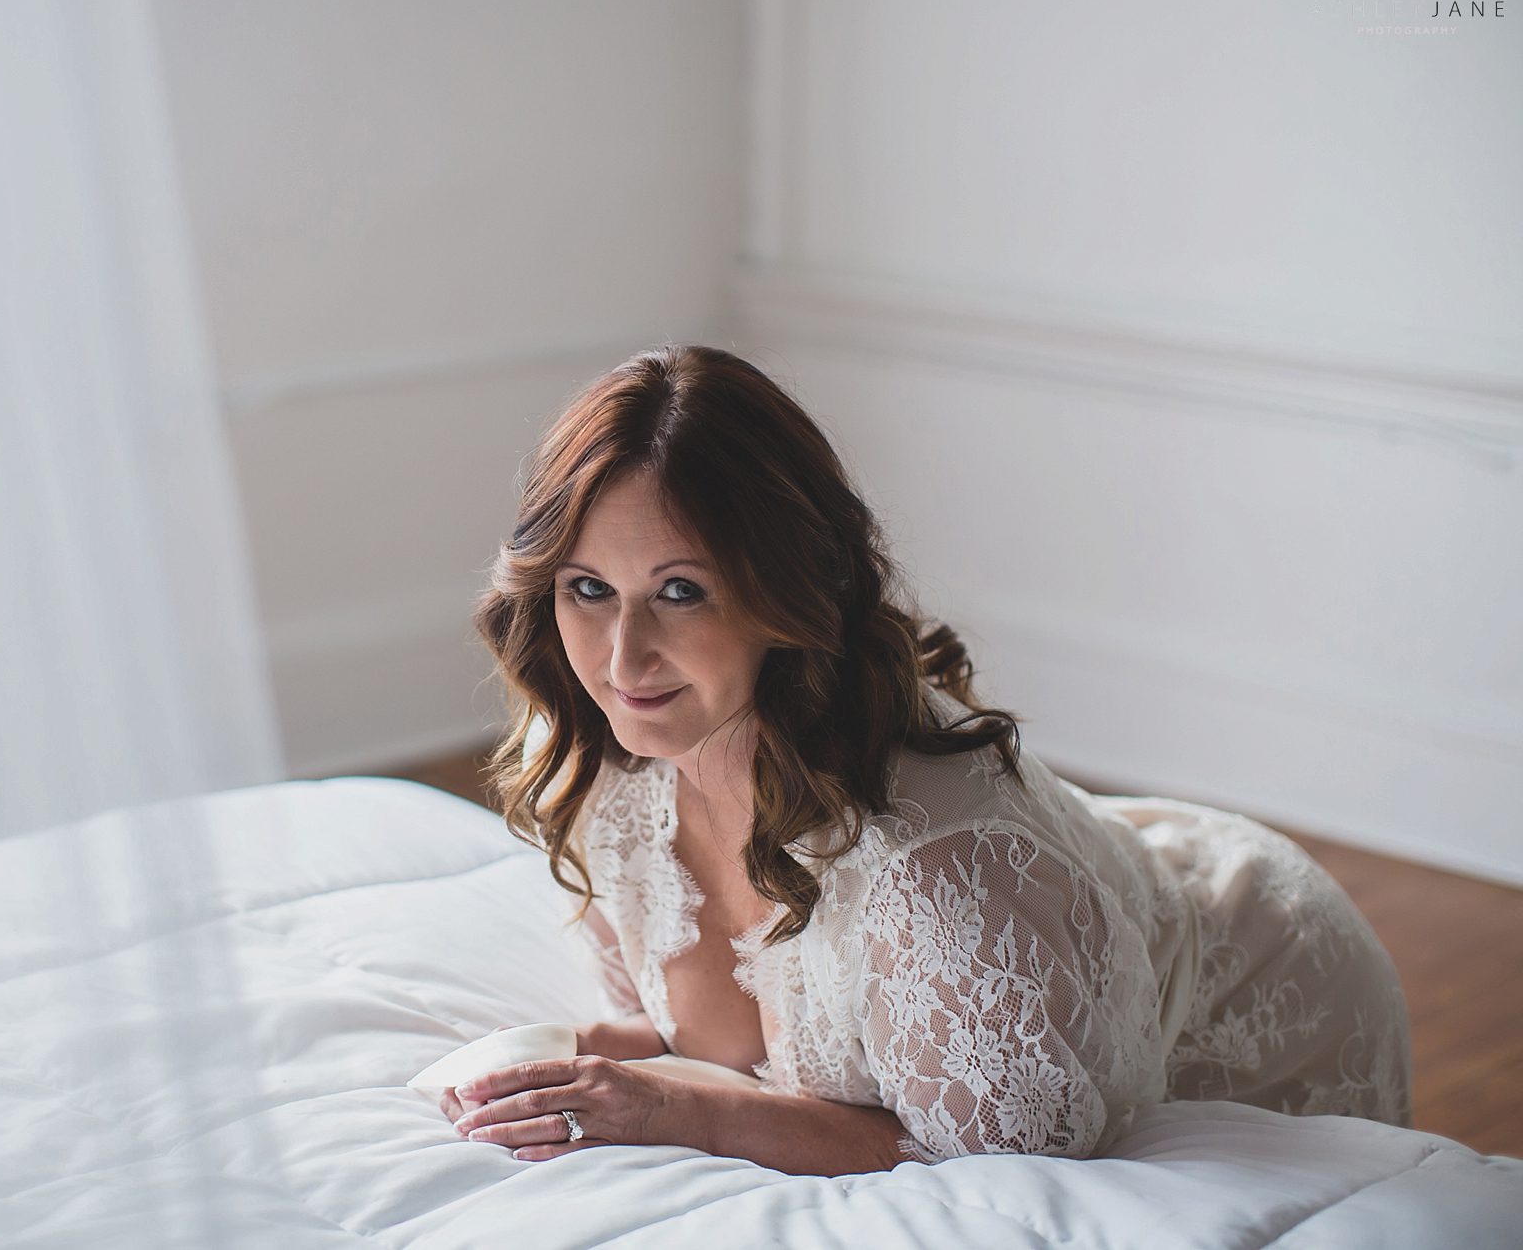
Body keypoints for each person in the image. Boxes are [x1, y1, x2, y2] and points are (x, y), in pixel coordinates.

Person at [444, 344, 1412, 1176]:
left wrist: (670, 1110)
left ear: (783, 589)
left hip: (1247, 981)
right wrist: (553, 1068)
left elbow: (989, 1160)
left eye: (681, 591)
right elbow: (720, 1037)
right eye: (586, 588)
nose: (620, 658)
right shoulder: (607, 758)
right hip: (1106, 867)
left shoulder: (938, 872)